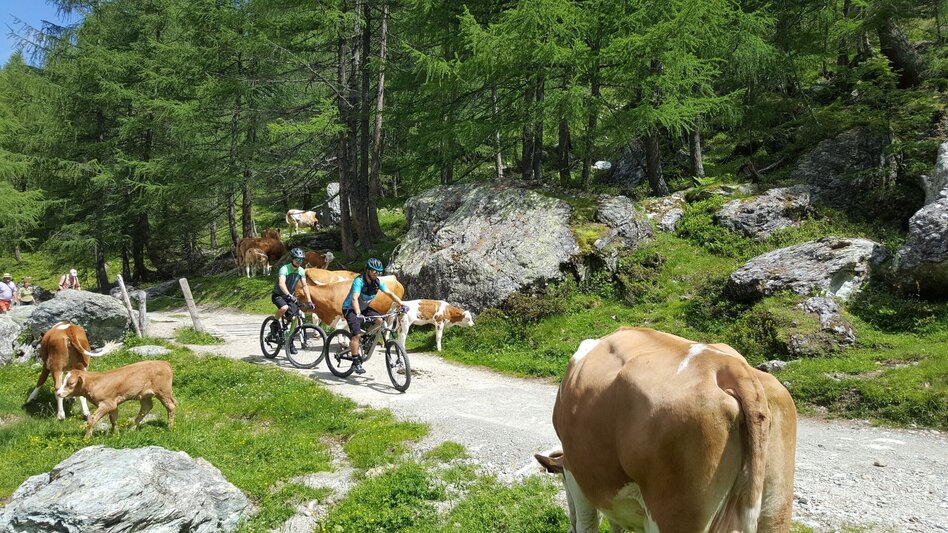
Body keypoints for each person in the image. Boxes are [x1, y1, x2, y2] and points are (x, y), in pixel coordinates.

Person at [342, 258, 408, 375]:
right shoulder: (359, 281)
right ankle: (355, 362)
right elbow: (354, 298)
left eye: (379, 272)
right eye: (374, 271)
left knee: (380, 321)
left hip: (364, 308)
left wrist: (402, 304)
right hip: (351, 309)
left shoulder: (377, 282)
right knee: (356, 334)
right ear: (367, 270)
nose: (376, 274)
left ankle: (366, 339)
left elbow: (390, 294)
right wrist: (358, 314)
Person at [270, 248, 311, 354]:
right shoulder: (284, 269)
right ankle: (274, 323)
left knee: (295, 319)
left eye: (301, 259)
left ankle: (290, 342)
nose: (299, 261)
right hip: (279, 295)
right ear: (292, 259)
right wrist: (288, 295)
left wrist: (309, 301)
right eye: (297, 259)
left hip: (290, 297)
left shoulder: (301, 270)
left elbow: (305, 286)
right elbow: (281, 284)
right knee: (284, 308)